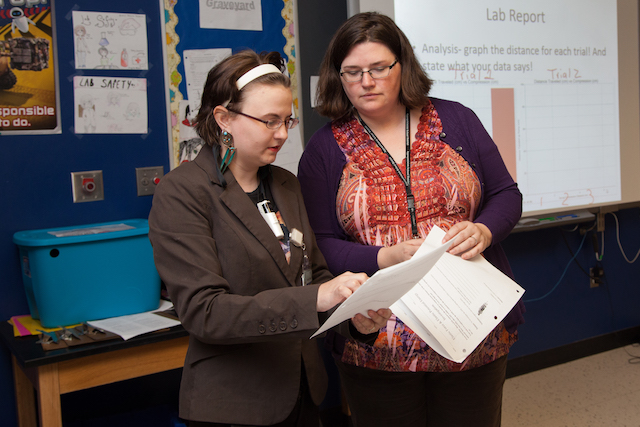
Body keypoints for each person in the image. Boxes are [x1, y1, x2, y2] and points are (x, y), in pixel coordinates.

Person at [297, 12, 525, 427]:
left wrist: (484, 230)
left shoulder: (458, 119)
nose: (366, 81)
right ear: (338, 77)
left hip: (470, 322)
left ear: (403, 65)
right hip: (375, 336)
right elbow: (321, 244)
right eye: (352, 72)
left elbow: (506, 195)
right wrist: (386, 256)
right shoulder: (322, 150)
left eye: (378, 68)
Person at [148, 50, 390, 427]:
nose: (282, 134)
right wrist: (317, 298)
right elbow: (204, 312)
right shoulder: (183, 193)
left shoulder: (285, 184)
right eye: (268, 121)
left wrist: (352, 316)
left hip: (304, 391)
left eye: (287, 120)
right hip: (236, 404)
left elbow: (316, 275)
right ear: (224, 118)